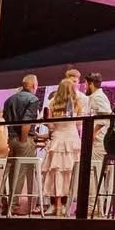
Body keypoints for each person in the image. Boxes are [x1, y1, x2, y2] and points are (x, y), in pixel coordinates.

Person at [40, 74, 84, 214]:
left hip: (58, 139)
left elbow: (51, 125)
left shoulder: (52, 103)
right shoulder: (77, 102)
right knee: (70, 173)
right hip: (72, 140)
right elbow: (79, 124)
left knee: (56, 172)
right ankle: (66, 204)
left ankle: (56, 204)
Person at [2, 74, 43, 157]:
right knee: (24, 168)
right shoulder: (33, 99)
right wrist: (23, 141)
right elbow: (26, 122)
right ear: (34, 85)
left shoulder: (9, 100)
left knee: (10, 168)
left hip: (9, 139)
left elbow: (4, 121)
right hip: (24, 139)